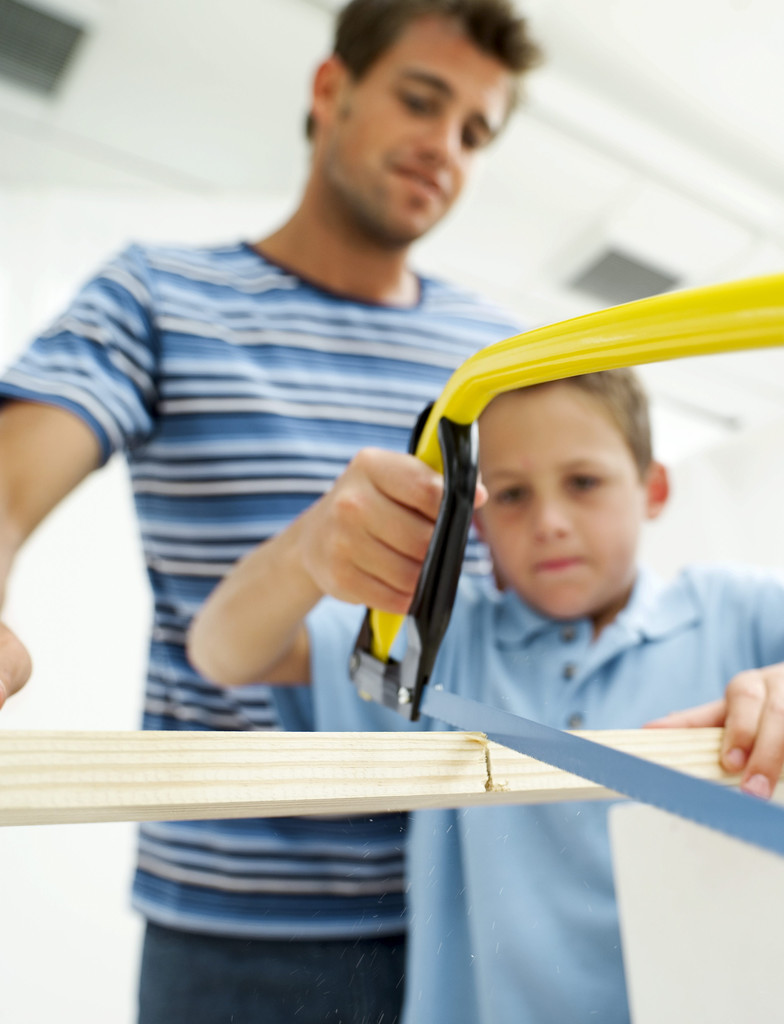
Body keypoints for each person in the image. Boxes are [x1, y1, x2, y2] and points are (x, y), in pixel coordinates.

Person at [0, 2, 543, 1022]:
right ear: (331, 90)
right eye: (421, 101)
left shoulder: (498, 356)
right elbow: (8, 486)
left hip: (471, 893)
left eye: (475, 132)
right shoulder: (157, 295)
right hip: (235, 929)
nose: (445, 148)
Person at [188, 367, 784, 1024]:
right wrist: (304, 549)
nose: (550, 523)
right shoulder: (447, 638)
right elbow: (222, 652)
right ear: (475, 519)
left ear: (652, 488)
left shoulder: (741, 613)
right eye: (511, 495)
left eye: (583, 483)